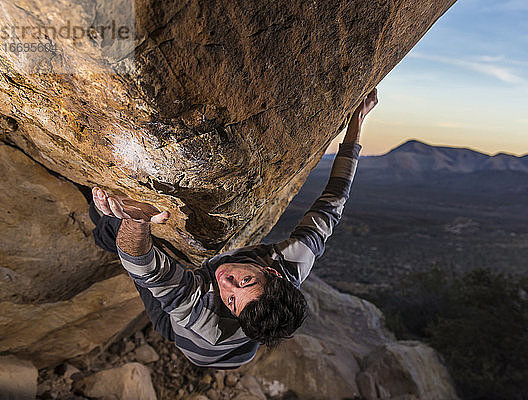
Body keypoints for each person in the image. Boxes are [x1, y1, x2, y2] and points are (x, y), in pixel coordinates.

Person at [89, 88, 378, 369]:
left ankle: (98, 231)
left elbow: (144, 266)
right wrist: (356, 125)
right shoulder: (293, 263)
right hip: (241, 353)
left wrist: (136, 222)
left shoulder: (198, 311)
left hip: (188, 338)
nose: (226, 281)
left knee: (116, 226)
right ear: (274, 273)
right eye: (245, 283)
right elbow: (333, 202)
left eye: (230, 300)